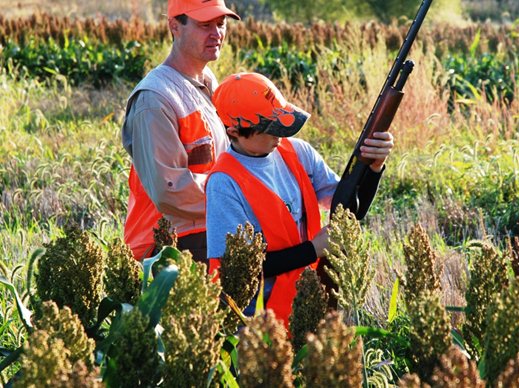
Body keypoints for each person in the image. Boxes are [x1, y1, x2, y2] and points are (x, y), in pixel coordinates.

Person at [206, 72, 394, 327]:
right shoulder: (224, 183)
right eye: (270, 129)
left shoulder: (298, 152)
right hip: (259, 320)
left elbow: (349, 211)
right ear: (235, 130)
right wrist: (312, 250)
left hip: (307, 299)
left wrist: (373, 168)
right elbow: (238, 270)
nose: (279, 136)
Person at [121, 0, 240, 262]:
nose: (216, 34)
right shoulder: (155, 99)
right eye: (204, 25)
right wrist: (239, 199)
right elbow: (170, 189)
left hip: (209, 228)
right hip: (168, 246)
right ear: (174, 25)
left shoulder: (208, 83)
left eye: (221, 24)